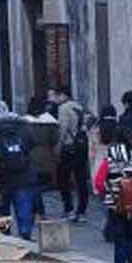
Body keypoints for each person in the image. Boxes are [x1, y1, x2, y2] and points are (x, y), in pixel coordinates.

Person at [94, 107, 132, 263]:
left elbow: (99, 180)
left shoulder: (111, 155)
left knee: (119, 234)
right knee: (131, 234)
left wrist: (106, 193)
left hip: (115, 200)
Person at [0, 104, 37, 240]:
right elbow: (32, 143)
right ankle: (25, 234)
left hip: (1, 175)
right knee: (24, 205)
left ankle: (5, 235)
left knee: (2, 207)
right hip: (24, 174)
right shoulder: (23, 125)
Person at [54, 87, 91, 221]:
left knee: (63, 179)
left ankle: (69, 209)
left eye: (58, 96)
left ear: (63, 95)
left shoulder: (63, 108)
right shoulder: (79, 107)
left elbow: (63, 128)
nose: (57, 99)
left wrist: (58, 146)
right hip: (81, 146)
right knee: (81, 179)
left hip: (69, 147)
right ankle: (82, 211)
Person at [26, 98, 60, 219]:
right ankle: (39, 211)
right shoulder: (51, 122)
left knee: (34, 186)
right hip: (47, 157)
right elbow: (55, 140)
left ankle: (37, 211)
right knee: (39, 185)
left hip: (30, 157)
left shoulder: (25, 122)